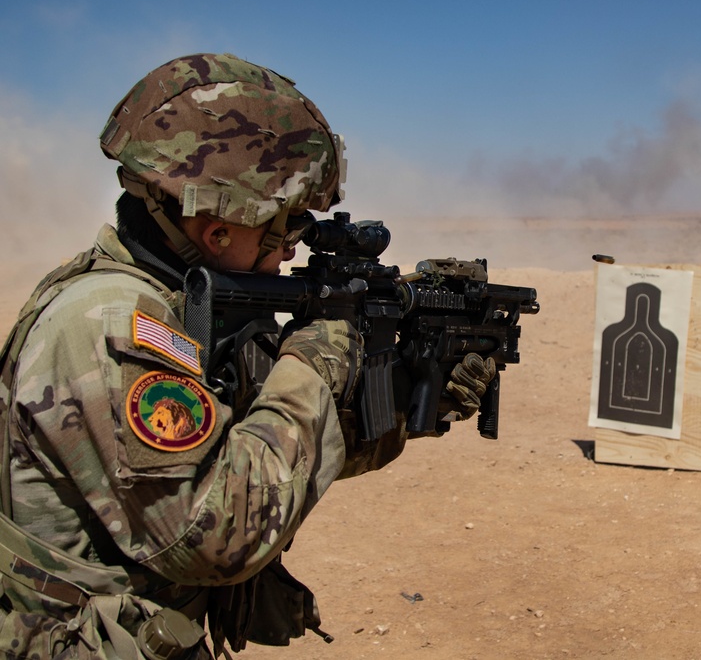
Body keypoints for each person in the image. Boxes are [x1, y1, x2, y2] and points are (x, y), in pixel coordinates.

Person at [0, 53, 494, 659]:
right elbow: (221, 534)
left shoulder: (182, 308)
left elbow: (273, 452)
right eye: (285, 228)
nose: (290, 254)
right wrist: (311, 365)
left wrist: (417, 385)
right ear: (220, 227)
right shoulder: (110, 324)